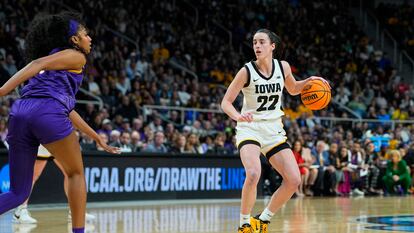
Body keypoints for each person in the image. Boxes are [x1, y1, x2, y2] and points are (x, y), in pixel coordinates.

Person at [0, 12, 120, 233]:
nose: (90, 38)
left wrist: (96, 137)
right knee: (75, 174)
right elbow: (36, 64)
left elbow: (68, 109)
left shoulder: (55, 62)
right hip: (47, 113)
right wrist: (1, 91)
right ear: (74, 40)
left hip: (20, 113)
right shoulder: (77, 56)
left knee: (18, 193)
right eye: (85, 34)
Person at [221, 28, 330, 233]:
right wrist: (238, 116)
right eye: (254, 42)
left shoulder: (283, 67)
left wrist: (310, 81)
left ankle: (262, 220)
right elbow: (225, 102)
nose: (257, 46)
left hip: (273, 130)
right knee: (253, 173)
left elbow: (294, 89)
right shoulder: (246, 71)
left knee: (294, 180)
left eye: (262, 42)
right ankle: (244, 224)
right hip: (250, 128)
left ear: (272, 46)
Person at [13, 145, 96, 224]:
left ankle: (75, 212)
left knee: (71, 173)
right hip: (46, 136)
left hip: (59, 137)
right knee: (33, 175)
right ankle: (20, 211)